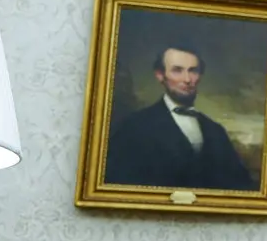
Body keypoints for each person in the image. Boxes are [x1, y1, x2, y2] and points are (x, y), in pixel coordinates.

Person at [104, 45, 255, 191]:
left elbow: (241, 187)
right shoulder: (134, 126)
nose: (187, 79)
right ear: (160, 76)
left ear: (200, 76)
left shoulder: (216, 131)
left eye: (193, 71)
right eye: (177, 70)